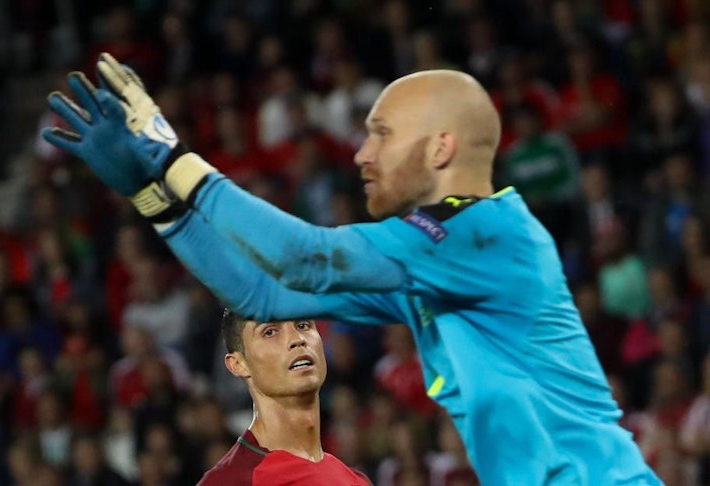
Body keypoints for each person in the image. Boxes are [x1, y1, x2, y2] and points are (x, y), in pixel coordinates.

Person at [41, 54, 662, 484]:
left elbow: (304, 258)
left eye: (382, 134)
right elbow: (264, 293)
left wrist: (175, 157)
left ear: (440, 147)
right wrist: (153, 196)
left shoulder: (488, 235)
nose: (363, 154)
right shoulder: (431, 268)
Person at [197, 310, 371, 485]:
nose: (297, 339)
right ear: (238, 364)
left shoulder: (356, 481)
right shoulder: (228, 481)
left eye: (303, 325)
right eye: (270, 332)